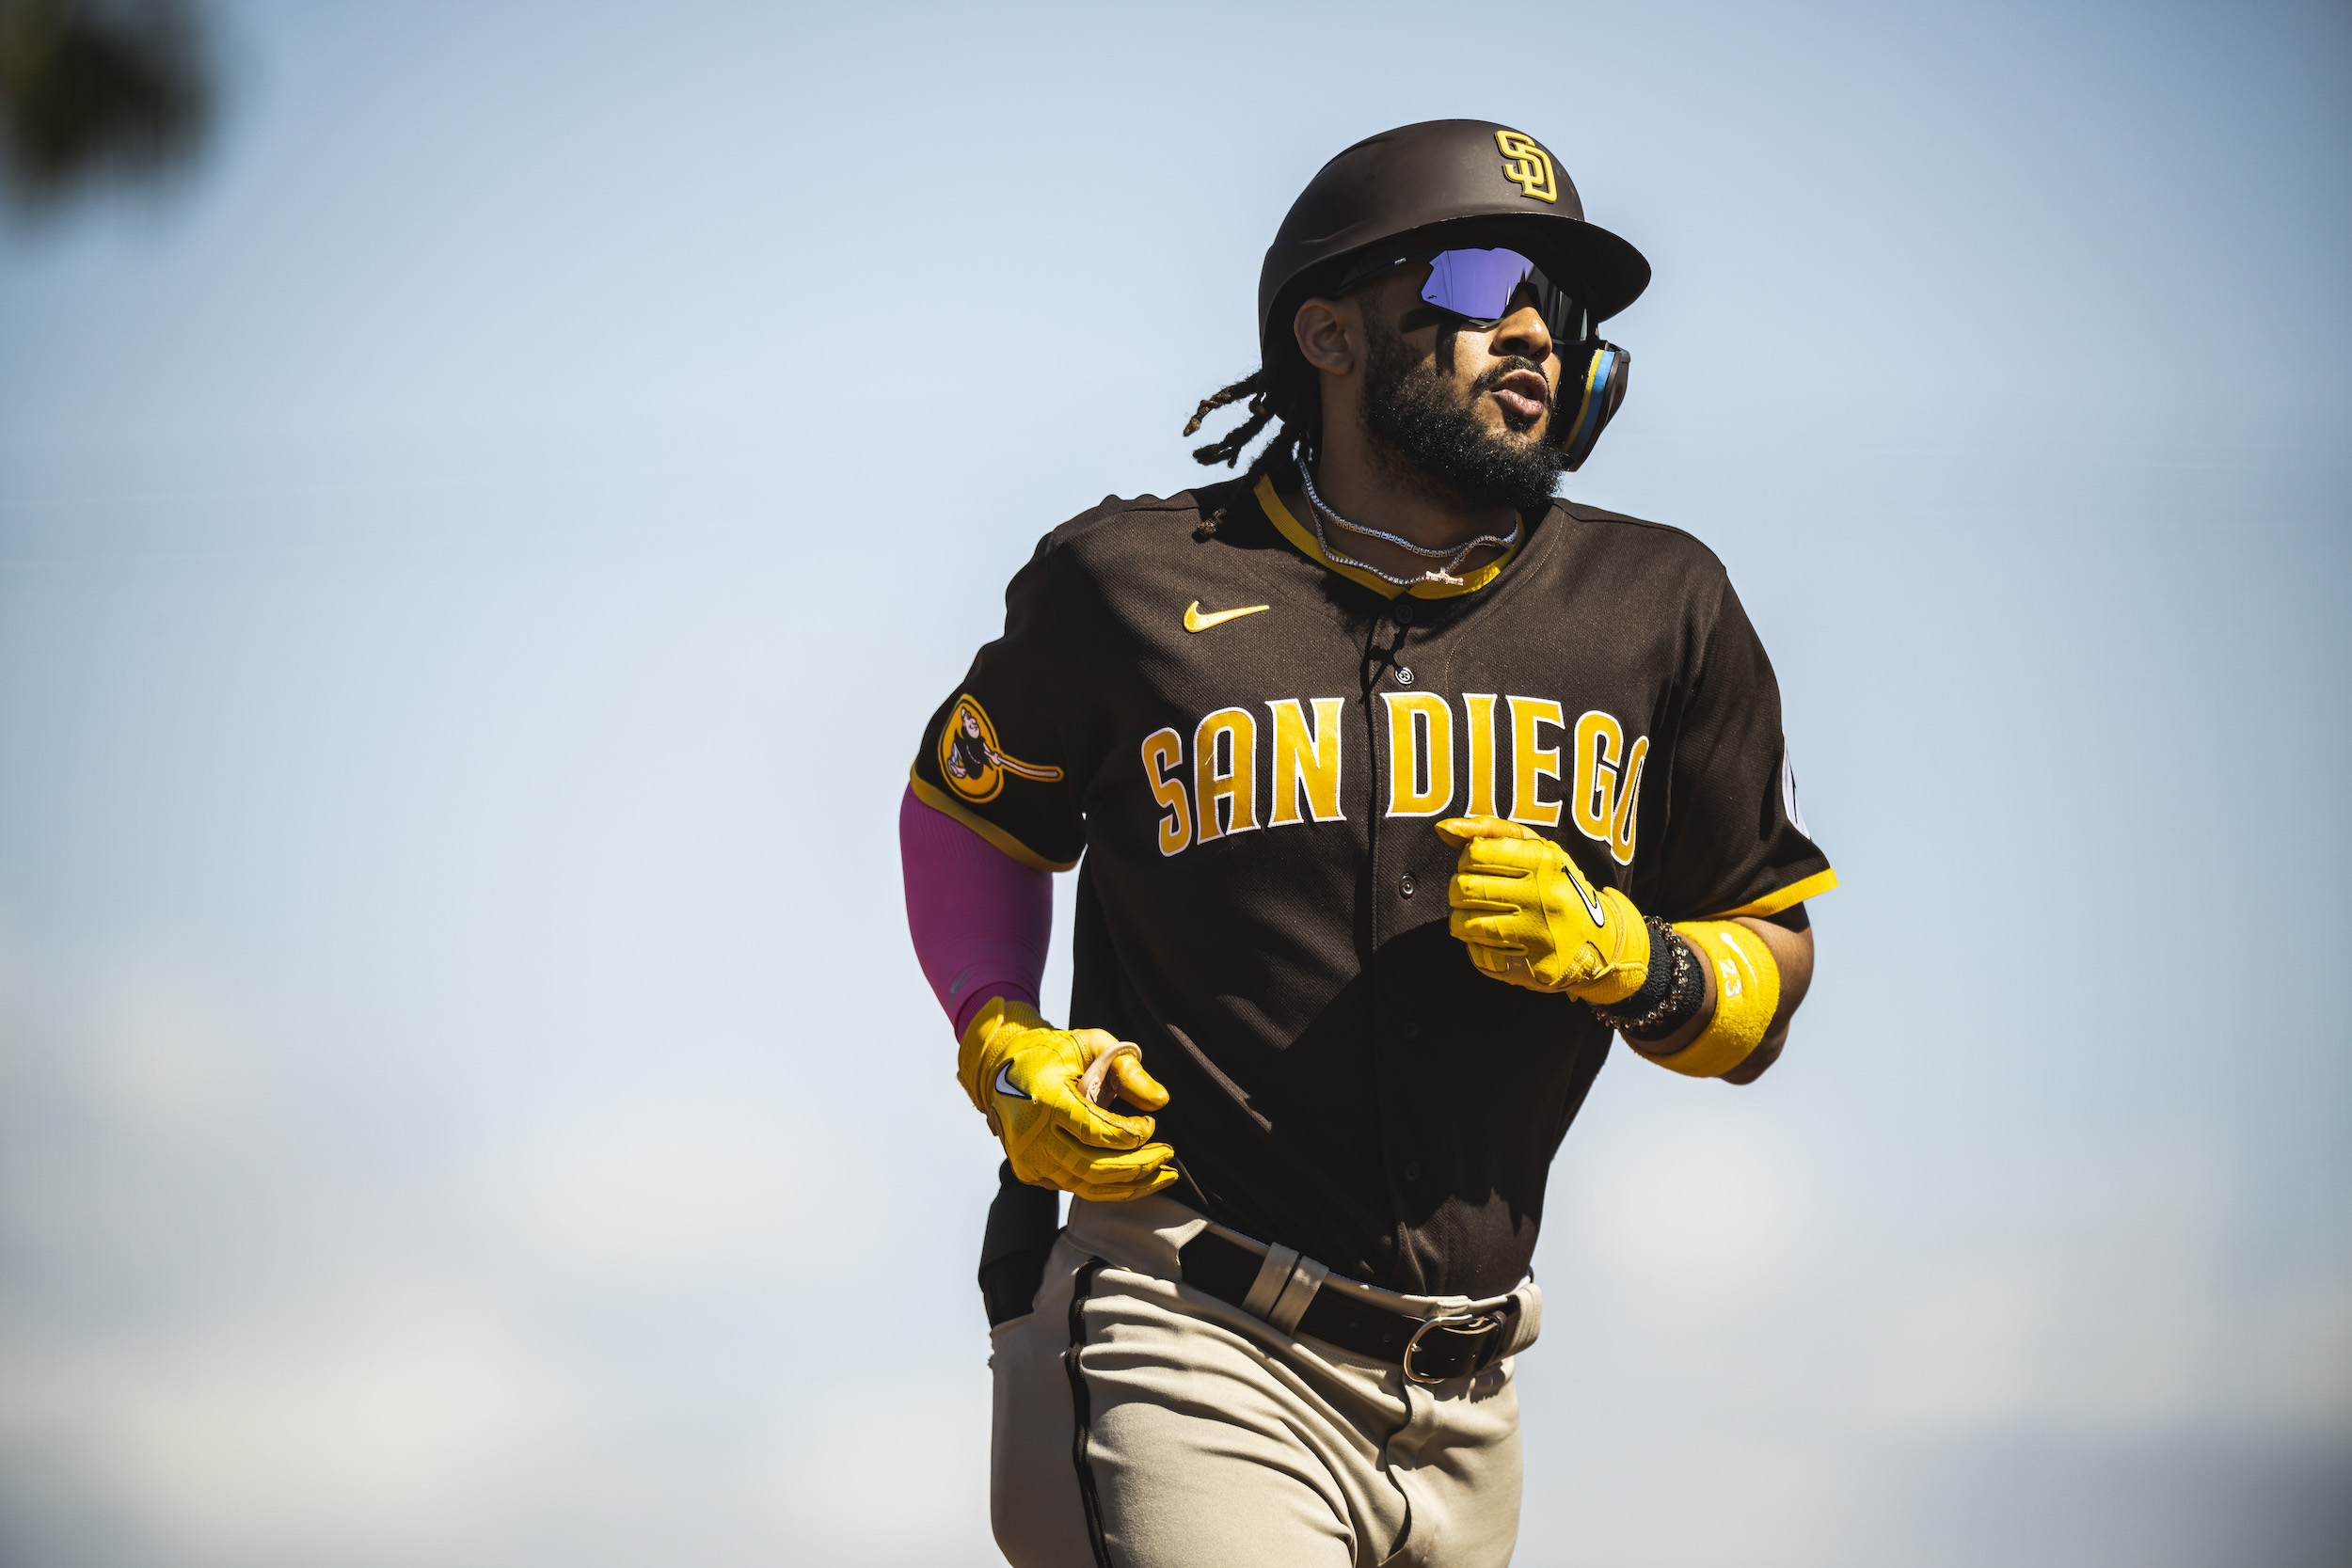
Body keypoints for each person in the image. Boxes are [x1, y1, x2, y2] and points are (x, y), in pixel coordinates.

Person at [898, 119, 1836, 1568]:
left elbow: (1769, 956)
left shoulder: (1664, 604)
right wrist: (998, 1034)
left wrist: (1636, 960)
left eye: (1558, 303)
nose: (1529, 324)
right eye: (1474, 280)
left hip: (1468, 1399)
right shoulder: (1133, 580)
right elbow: (970, 807)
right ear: (1328, 331)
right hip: (1183, 1323)